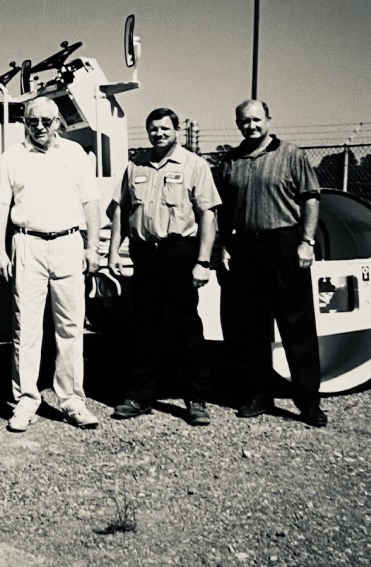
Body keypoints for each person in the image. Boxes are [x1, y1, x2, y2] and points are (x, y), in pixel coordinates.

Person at [0, 96, 101, 433]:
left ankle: (71, 401)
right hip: (28, 244)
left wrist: (92, 246)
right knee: (27, 328)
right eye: (32, 121)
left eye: (46, 121)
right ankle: (26, 400)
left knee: (70, 326)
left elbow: (91, 200)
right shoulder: (12, 157)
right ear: (24, 122)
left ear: (58, 122)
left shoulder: (75, 155)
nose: (39, 127)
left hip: (69, 243)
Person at [108, 108, 221, 426]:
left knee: (187, 329)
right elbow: (120, 209)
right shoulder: (135, 165)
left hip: (179, 255)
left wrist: (202, 261)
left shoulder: (194, 165)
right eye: (153, 129)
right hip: (145, 256)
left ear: (177, 131)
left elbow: (207, 215)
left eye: (164, 128)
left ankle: (196, 399)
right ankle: (139, 396)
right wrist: (113, 252)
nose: (158, 133)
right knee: (144, 328)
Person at [216, 99, 326, 427]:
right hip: (246, 249)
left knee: (297, 327)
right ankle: (259, 395)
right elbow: (223, 209)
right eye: (244, 121)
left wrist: (306, 242)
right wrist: (224, 246)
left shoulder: (291, 155)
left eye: (256, 119)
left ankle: (308, 401)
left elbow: (310, 198)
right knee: (251, 328)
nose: (251, 126)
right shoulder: (231, 161)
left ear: (268, 119)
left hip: (284, 246)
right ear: (238, 124)